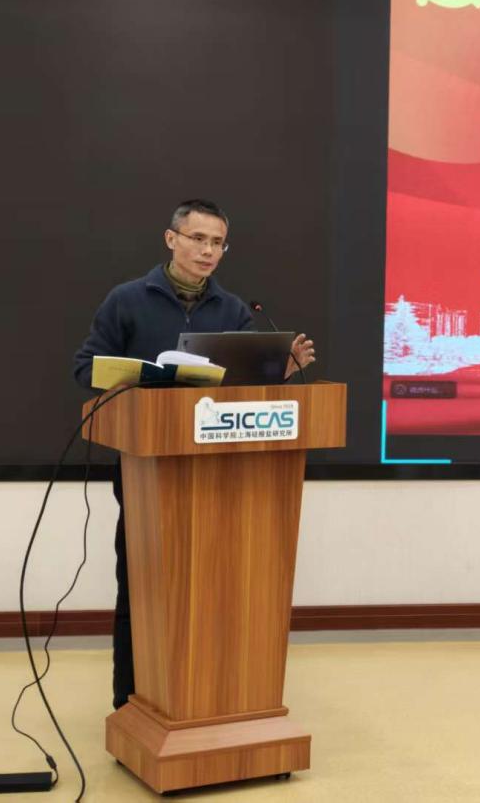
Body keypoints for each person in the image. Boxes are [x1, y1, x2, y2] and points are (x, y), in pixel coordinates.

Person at [73, 198, 315, 709]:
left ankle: (208, 698)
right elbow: (85, 367)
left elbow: (245, 384)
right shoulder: (127, 300)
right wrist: (138, 378)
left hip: (219, 473)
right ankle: (131, 702)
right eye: (198, 239)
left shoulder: (234, 310)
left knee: (214, 588)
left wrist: (280, 371)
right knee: (142, 586)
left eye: (217, 243)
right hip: (147, 468)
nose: (208, 251)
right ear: (171, 239)